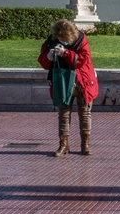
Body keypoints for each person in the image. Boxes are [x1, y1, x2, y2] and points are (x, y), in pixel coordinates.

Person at [38, 19, 98, 156]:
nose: (60, 40)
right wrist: (48, 56)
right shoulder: (49, 42)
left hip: (83, 82)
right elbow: (43, 61)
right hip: (63, 82)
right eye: (58, 38)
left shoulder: (81, 39)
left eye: (63, 38)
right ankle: (64, 145)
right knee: (64, 113)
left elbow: (83, 59)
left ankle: (85, 145)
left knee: (85, 113)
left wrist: (65, 53)